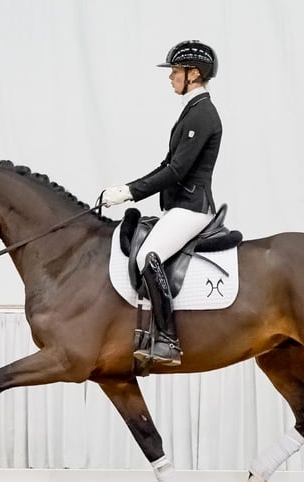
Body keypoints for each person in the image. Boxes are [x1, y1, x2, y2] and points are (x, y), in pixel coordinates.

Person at [102, 40, 222, 367]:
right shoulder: (193, 110)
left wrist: (131, 192)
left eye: (175, 71)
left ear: (194, 74)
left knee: (147, 256)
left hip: (192, 207)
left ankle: (168, 339)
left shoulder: (203, 114)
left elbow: (177, 170)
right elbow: (166, 164)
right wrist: (126, 188)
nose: (171, 77)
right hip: (179, 206)